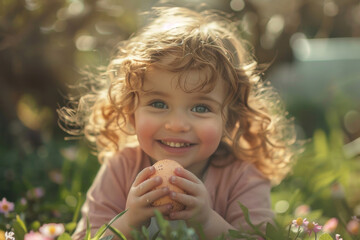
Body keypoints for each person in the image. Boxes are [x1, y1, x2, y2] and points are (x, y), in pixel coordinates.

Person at [58, 5, 300, 240]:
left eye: (201, 107)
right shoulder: (121, 169)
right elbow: (85, 236)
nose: (176, 124)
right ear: (132, 112)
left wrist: (208, 223)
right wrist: (128, 222)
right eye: (159, 104)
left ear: (230, 120)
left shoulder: (242, 176)